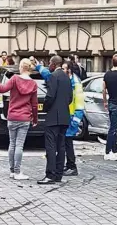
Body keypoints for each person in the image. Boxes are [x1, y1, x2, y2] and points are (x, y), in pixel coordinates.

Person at [0, 58, 38, 180]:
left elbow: (2, 89)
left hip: (12, 116)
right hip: (25, 118)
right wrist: (34, 119)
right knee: (19, 145)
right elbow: (34, 104)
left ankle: (12, 171)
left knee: (12, 144)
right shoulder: (33, 84)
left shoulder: (14, 79)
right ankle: (17, 172)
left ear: (21, 67)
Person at [35, 60, 85, 177]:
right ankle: (63, 168)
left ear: (69, 70)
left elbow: (78, 102)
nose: (62, 71)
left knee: (65, 143)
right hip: (67, 115)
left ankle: (71, 166)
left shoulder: (75, 83)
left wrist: (76, 120)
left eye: (64, 68)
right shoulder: (67, 79)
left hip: (71, 116)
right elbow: (49, 76)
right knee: (63, 144)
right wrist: (39, 67)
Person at [38, 56, 73, 185]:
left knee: (51, 147)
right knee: (61, 146)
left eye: (50, 64)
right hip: (64, 116)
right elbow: (70, 98)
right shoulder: (67, 78)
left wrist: (46, 108)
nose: (49, 66)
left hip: (53, 117)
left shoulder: (54, 76)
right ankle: (58, 174)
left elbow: (50, 96)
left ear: (53, 64)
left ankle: (50, 175)